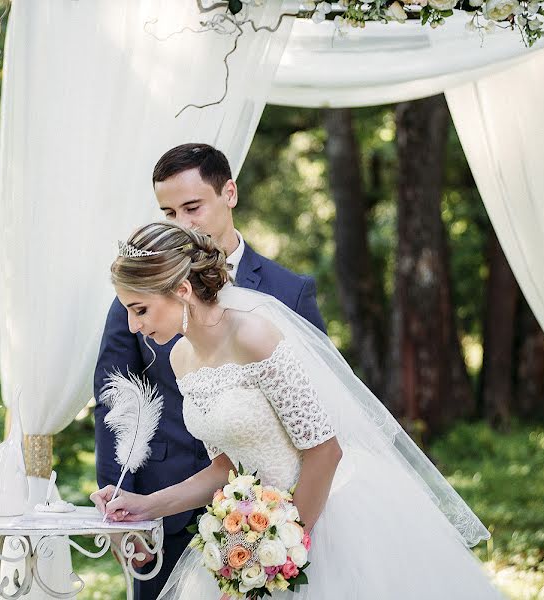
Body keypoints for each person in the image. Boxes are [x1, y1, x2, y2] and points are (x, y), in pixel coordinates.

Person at [92, 222, 505, 599]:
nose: (132, 326)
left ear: (182, 290)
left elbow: (325, 452)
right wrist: (145, 505)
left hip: (328, 519)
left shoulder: (254, 335)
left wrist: (280, 559)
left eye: (140, 309)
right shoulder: (182, 358)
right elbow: (225, 469)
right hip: (258, 534)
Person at [93, 144, 325, 599]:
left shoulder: (280, 301)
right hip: (188, 510)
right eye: (168, 212)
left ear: (230, 193)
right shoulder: (152, 313)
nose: (182, 223)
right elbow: (113, 397)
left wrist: (278, 547)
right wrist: (134, 503)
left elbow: (321, 439)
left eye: (192, 207)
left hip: (290, 525)